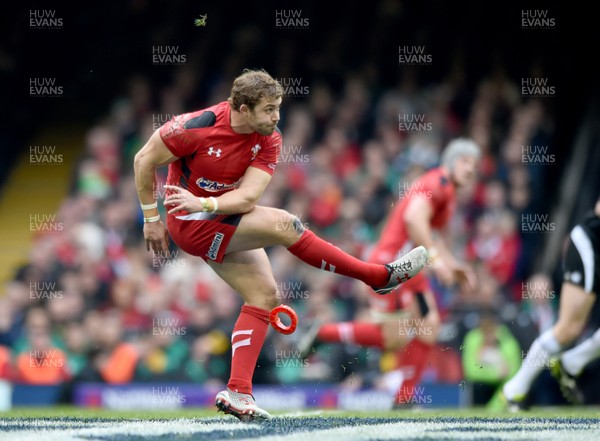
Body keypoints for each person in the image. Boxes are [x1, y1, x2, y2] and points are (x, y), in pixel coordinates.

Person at [133, 69, 428, 421]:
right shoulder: (194, 126)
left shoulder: (269, 137)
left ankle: (238, 392)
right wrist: (151, 219)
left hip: (215, 214)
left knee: (264, 296)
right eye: (269, 109)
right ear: (242, 108)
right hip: (188, 221)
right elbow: (143, 160)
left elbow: (247, 197)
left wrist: (208, 204)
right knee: (286, 224)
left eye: (278, 108)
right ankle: (377, 277)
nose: (276, 117)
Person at [298, 138, 480, 407]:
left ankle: (401, 395)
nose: (470, 169)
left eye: (474, 165)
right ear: (451, 161)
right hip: (392, 268)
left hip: (409, 271)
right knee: (402, 335)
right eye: (465, 162)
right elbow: (413, 219)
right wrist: (437, 259)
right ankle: (328, 334)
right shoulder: (437, 184)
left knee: (418, 330)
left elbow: (428, 231)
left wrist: (453, 264)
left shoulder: (447, 190)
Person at [502, 197, 600, 409]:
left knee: (570, 328)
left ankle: (572, 362)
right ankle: (516, 388)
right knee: (567, 328)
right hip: (591, 243)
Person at [462, 307, 521, 410]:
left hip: (502, 391)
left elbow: (513, 374)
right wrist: (496, 373)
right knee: (478, 386)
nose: (489, 333)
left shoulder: (508, 341)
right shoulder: (472, 338)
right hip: (481, 388)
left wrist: (493, 407)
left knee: (510, 386)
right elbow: (471, 372)